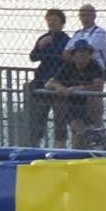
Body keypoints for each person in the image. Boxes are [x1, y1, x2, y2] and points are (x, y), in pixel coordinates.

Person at [44, 39, 106, 149]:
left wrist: (78, 88)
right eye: (79, 52)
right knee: (79, 132)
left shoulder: (94, 66)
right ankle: (77, 153)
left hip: (89, 106)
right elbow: (49, 83)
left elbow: (98, 86)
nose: (82, 55)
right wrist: (60, 87)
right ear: (74, 55)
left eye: (85, 52)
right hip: (72, 106)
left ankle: (98, 133)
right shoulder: (68, 67)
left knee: (89, 131)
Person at [25, 8, 70, 148]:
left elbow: (65, 59)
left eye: (55, 20)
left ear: (62, 23)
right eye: (49, 20)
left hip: (59, 82)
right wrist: (40, 46)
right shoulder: (43, 38)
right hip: (42, 83)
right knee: (38, 118)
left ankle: (59, 148)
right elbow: (33, 57)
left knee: (60, 119)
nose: (51, 22)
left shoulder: (66, 40)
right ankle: (35, 146)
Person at [69, 2, 106, 136]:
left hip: (94, 70)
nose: (85, 18)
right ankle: (85, 136)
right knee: (77, 114)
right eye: (82, 15)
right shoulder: (78, 33)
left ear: (94, 16)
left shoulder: (99, 32)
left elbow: (89, 48)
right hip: (78, 71)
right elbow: (66, 52)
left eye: (88, 15)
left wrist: (76, 51)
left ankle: (100, 135)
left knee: (94, 105)